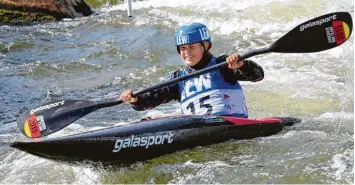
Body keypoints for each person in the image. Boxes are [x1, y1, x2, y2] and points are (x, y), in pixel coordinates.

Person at [120, 22, 264, 118]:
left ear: (206, 46)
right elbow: (151, 99)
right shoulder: (178, 78)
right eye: (182, 48)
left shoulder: (222, 65)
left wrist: (242, 65)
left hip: (230, 123)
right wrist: (135, 99)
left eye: (192, 47)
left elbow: (258, 75)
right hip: (194, 126)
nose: (187, 52)